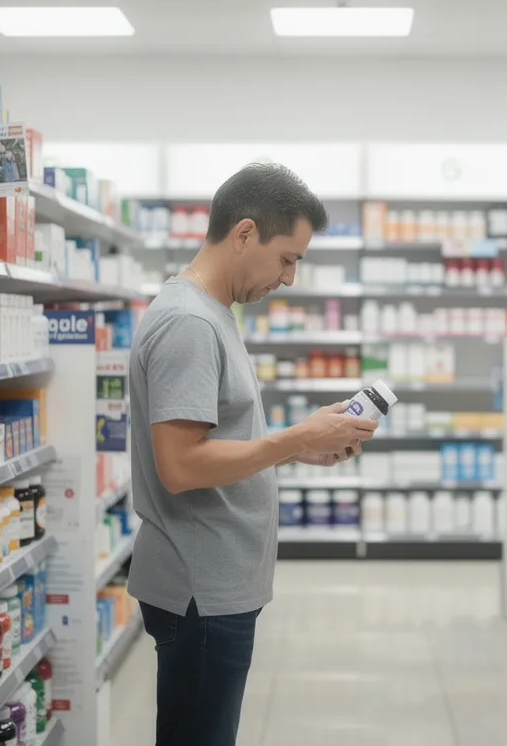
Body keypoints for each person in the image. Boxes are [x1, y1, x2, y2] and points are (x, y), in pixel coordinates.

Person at [128, 163, 379, 745]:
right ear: (244, 234)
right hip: (201, 593)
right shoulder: (191, 323)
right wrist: (293, 439)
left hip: (215, 586)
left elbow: (215, 444)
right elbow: (181, 465)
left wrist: (301, 449)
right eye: (287, 258)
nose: (289, 278)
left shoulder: (213, 312)